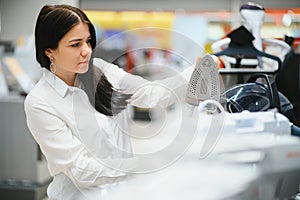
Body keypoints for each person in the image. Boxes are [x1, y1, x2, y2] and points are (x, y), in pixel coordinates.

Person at [24, 4, 212, 200]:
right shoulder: (40, 102)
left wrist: (194, 73)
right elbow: (82, 170)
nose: (87, 50)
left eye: (88, 41)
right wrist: (145, 163)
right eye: (75, 44)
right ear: (49, 51)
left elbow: (151, 94)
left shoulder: (100, 70)